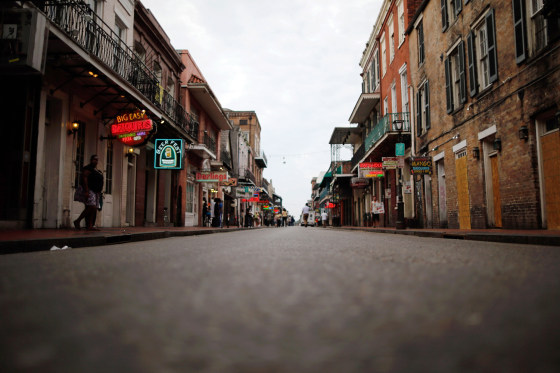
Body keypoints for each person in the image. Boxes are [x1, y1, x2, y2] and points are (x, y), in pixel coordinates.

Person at [74, 155, 104, 230]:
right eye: (94, 159)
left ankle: (90, 225)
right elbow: (84, 178)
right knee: (92, 206)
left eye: (97, 160)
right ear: (91, 160)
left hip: (96, 191)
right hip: (90, 190)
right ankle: (77, 221)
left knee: (93, 208)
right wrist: (86, 191)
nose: (95, 161)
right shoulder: (88, 168)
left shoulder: (97, 170)